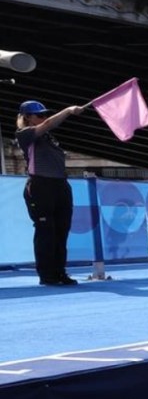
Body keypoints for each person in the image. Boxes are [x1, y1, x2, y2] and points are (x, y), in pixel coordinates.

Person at [15, 100, 87, 286]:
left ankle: (59, 271)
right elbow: (48, 125)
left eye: (45, 114)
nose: (44, 118)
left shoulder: (50, 138)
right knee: (46, 230)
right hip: (40, 185)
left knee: (61, 231)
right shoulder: (25, 134)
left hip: (60, 184)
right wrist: (69, 110)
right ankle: (47, 274)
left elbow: (48, 126)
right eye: (39, 115)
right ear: (27, 118)